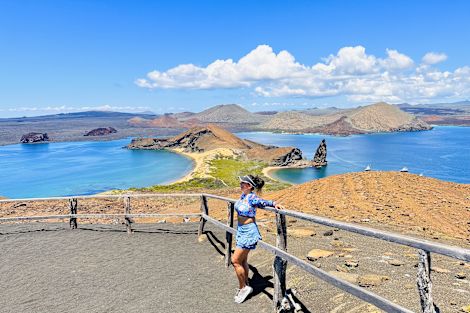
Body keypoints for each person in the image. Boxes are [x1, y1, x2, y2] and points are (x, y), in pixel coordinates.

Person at [232, 174, 284, 304]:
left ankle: (243, 288)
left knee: (235, 261)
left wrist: (274, 204)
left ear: (249, 186)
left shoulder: (251, 197)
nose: (240, 185)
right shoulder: (243, 196)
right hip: (241, 230)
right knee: (243, 260)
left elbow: (262, 202)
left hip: (249, 232)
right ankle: (246, 282)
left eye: (243, 183)